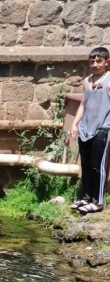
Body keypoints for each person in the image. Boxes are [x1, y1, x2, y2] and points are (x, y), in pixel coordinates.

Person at [70, 47, 110, 215]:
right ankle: (86, 198)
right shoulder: (87, 81)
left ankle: (98, 202)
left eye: (98, 61)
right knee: (86, 165)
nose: (94, 64)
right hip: (86, 128)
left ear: (107, 62)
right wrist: (74, 124)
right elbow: (83, 104)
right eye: (92, 61)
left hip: (103, 128)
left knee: (99, 166)